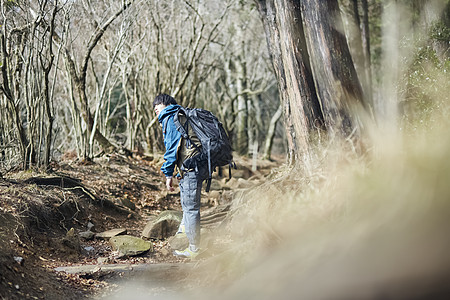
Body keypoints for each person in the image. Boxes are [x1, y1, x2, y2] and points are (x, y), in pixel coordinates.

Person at [153, 93, 207, 259]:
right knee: (188, 205)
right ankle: (185, 231)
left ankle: (194, 249)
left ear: (165, 104)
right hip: (193, 166)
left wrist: (168, 174)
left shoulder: (170, 118)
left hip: (191, 168)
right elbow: (184, 146)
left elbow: (172, 149)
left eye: (157, 107)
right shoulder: (181, 116)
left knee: (191, 209)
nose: (155, 111)